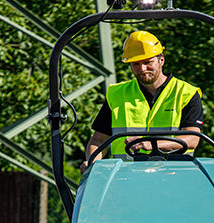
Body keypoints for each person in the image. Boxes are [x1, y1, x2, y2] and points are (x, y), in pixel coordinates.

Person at [80, 31, 203, 173]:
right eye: (136, 64)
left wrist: (152, 144)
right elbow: (98, 141)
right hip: (126, 178)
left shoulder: (186, 93)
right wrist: (93, 164)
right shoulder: (117, 94)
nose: (142, 69)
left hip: (174, 177)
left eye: (147, 62)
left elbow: (192, 139)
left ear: (161, 60)